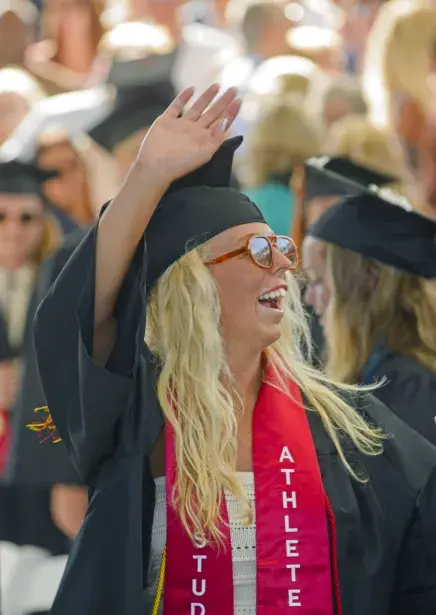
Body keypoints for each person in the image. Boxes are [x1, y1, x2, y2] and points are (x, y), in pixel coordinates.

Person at [34, 84, 436, 615]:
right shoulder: (138, 419)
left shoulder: (353, 431)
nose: (283, 265)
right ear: (191, 285)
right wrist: (147, 176)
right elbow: (76, 320)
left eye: (283, 247)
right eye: (259, 249)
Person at [304, 184, 436, 445]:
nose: (309, 298)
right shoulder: (377, 370)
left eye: (319, 281)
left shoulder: (405, 389)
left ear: (368, 284)